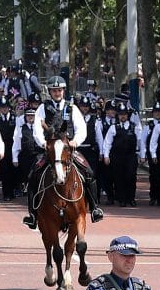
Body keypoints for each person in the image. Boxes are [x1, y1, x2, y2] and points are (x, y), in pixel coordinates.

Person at [21, 77, 105, 229]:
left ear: (63, 91)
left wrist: (76, 142)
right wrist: (43, 143)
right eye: (54, 90)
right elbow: (37, 129)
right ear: (50, 92)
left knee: (89, 172)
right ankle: (32, 215)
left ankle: (94, 208)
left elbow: (81, 128)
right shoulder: (42, 108)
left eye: (59, 90)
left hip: (68, 150)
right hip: (50, 150)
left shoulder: (71, 107)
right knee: (33, 174)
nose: (57, 93)